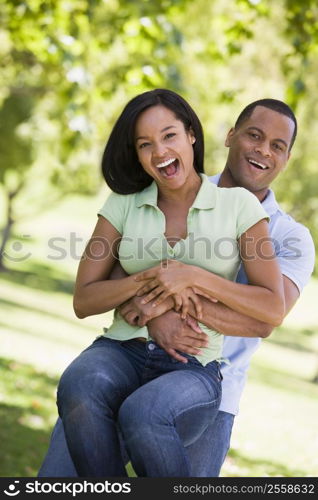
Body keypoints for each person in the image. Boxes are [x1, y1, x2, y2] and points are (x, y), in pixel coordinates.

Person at [38, 96, 314, 477]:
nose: (262, 151)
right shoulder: (162, 186)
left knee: (152, 426)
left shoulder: (289, 235)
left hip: (209, 386)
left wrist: (180, 292)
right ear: (229, 136)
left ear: (287, 158)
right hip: (127, 355)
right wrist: (155, 313)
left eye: (277, 146)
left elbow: (265, 320)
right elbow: (111, 283)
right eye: (254, 135)